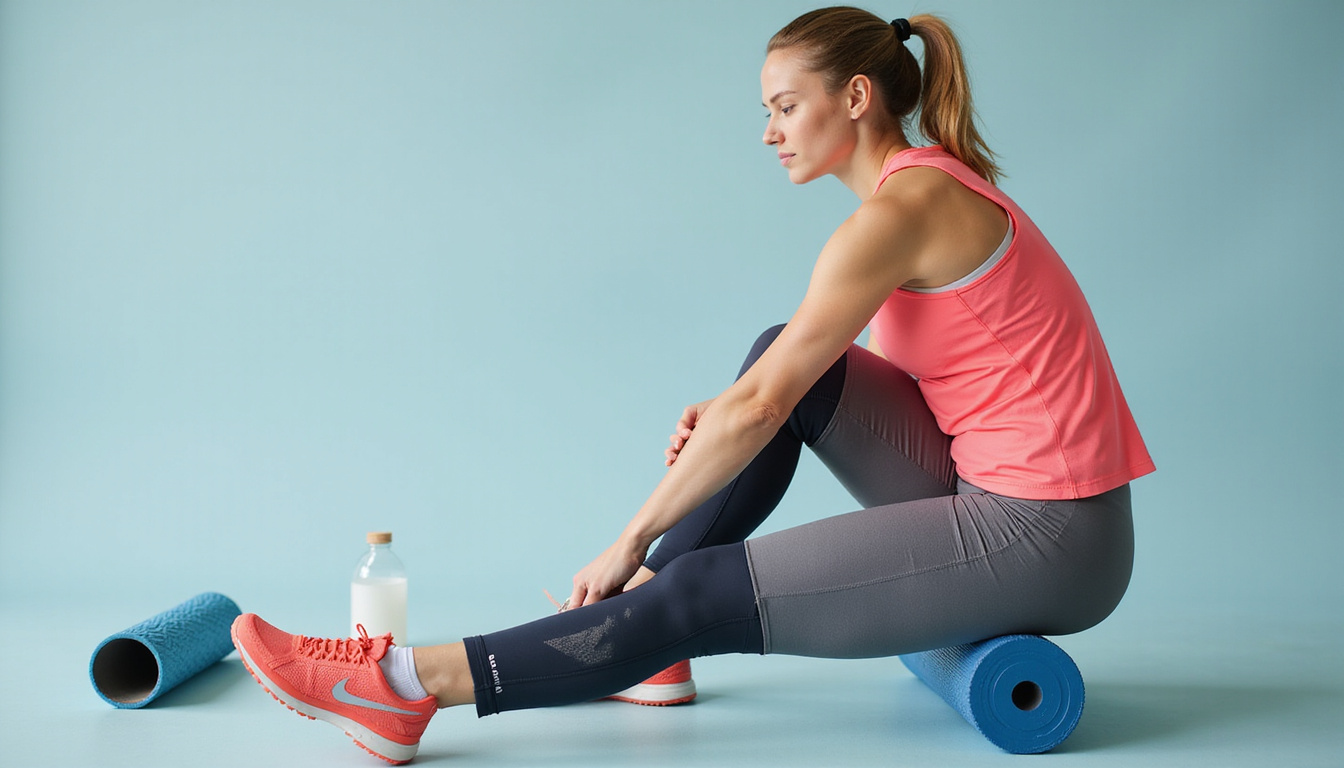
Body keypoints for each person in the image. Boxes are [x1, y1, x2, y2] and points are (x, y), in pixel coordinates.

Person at [230, 7, 1154, 764]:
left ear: (858, 97)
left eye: (787, 106)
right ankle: (650, 641)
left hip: (1052, 535)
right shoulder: (917, 194)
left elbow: (762, 408)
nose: (769, 131)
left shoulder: (901, 214)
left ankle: (399, 689)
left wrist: (629, 540)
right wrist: (744, 403)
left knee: (711, 568)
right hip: (992, 489)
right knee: (780, 350)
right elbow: (783, 380)